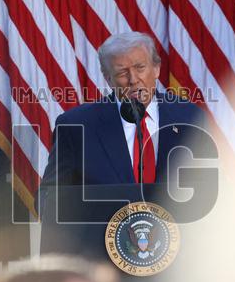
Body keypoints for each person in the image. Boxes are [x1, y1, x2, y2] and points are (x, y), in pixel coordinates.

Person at [41, 32, 208, 188]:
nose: (133, 80)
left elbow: (211, 190)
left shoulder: (190, 117)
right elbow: (49, 197)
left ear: (156, 69)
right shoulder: (76, 126)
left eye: (140, 68)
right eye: (122, 73)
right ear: (108, 79)